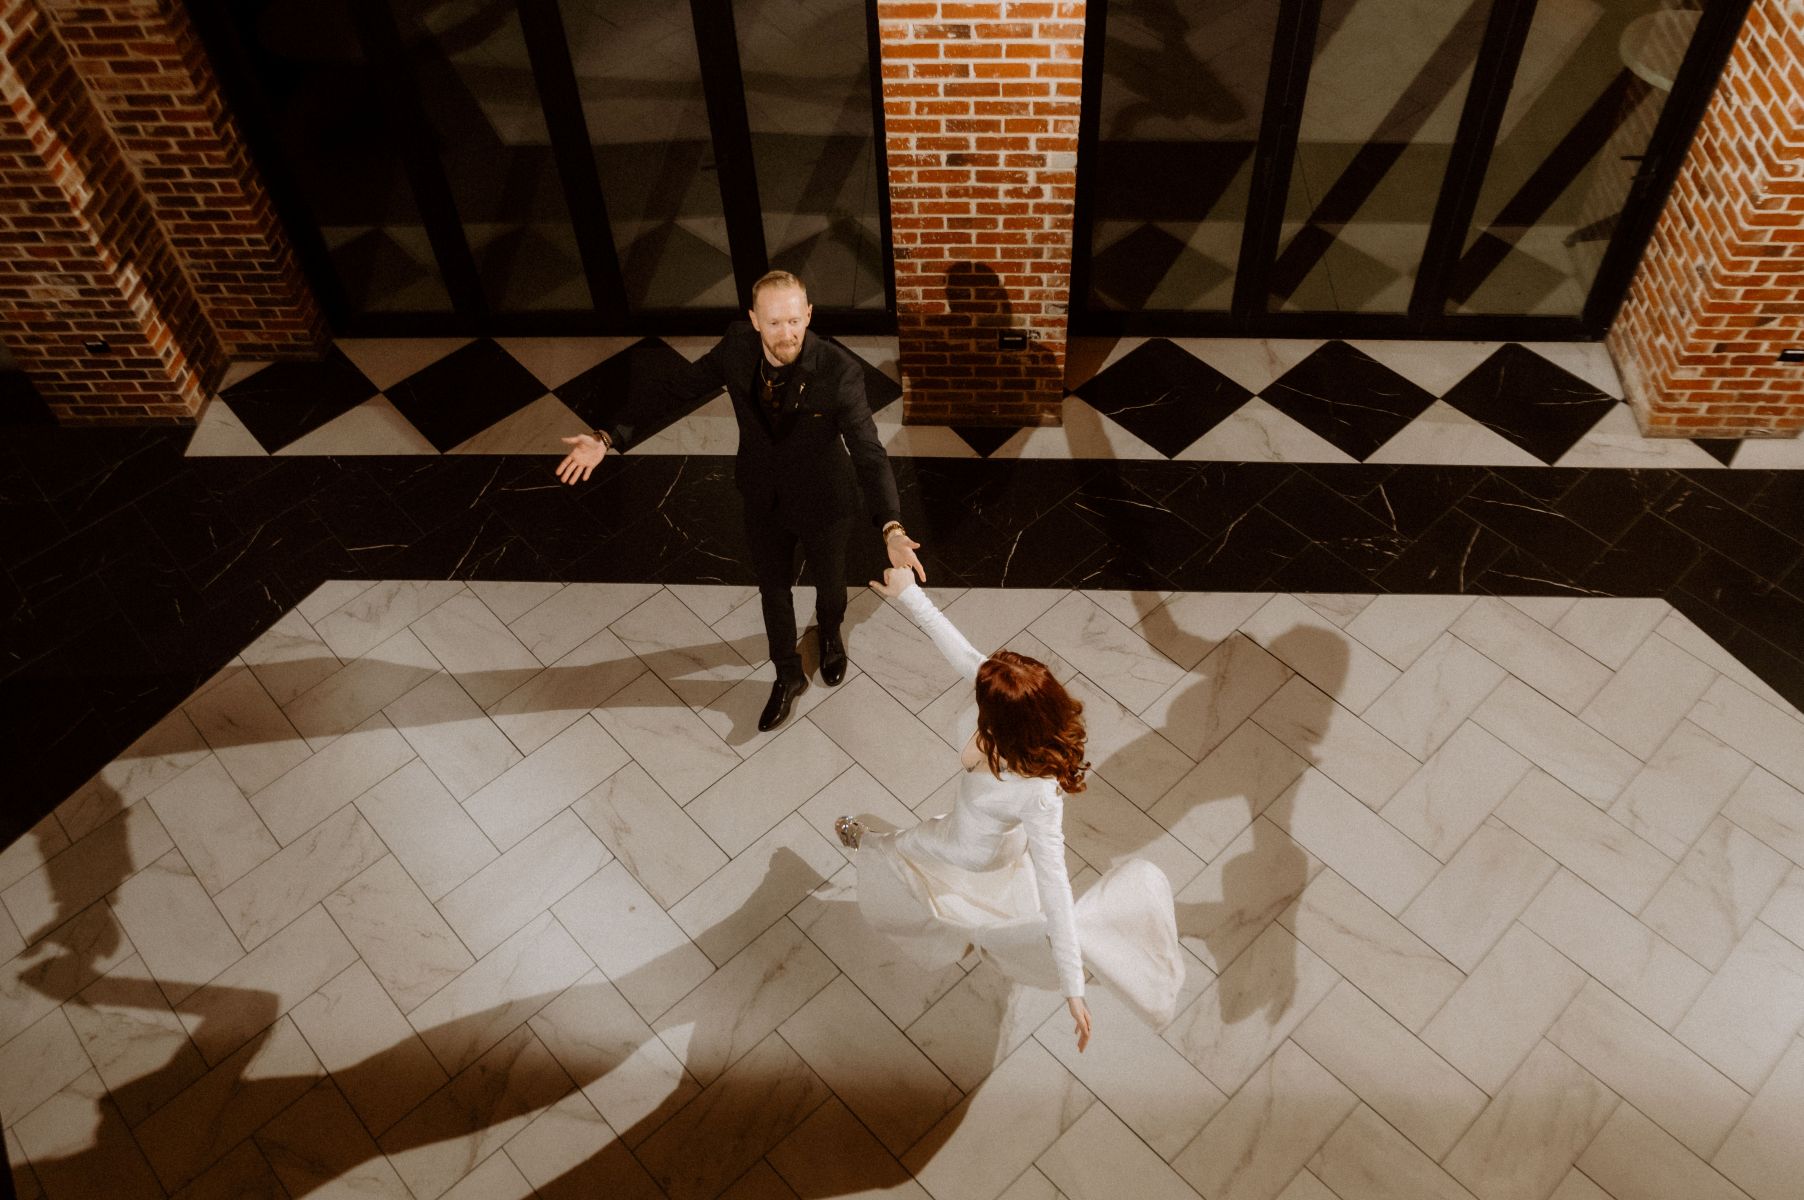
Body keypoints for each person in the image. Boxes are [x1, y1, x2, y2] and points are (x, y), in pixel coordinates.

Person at [555, 271, 925, 731]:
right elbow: (677, 391)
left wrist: (891, 526)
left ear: (808, 314)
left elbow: (868, 452)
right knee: (773, 591)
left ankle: (830, 634)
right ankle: (787, 676)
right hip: (762, 497)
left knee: (831, 587)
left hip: (825, 502)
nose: (786, 333)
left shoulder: (839, 371)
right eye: (773, 323)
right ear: (753, 320)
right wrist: (606, 436)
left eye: (794, 320)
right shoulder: (735, 347)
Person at [839, 567, 1185, 1051]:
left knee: (901, 846)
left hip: (967, 848)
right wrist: (909, 596)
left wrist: (1073, 987)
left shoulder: (1038, 795)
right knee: (933, 871)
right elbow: (960, 650)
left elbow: (1056, 886)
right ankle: (917, 885)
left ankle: (866, 841)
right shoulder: (1010, 706)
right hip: (975, 831)